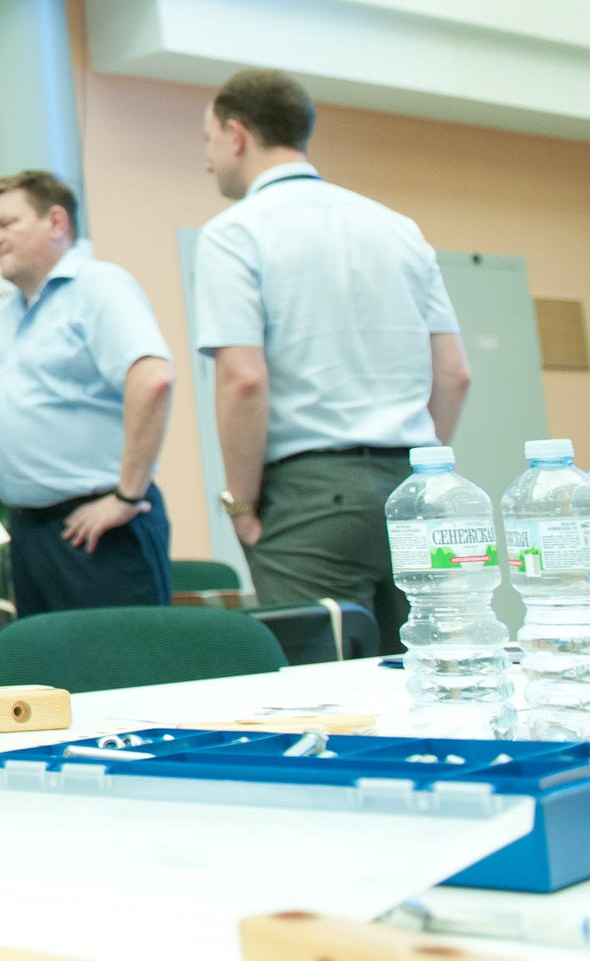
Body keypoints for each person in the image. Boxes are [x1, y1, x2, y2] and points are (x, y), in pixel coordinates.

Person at [193, 68, 470, 653]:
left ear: (237, 134)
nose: (207, 159)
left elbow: (244, 381)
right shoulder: (399, 229)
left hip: (310, 495)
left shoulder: (233, 233)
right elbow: (453, 373)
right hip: (413, 484)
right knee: (431, 671)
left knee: (326, 689)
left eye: (209, 140)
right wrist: (419, 469)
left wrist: (240, 506)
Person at [0, 171, 175, 616]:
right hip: (31, 531)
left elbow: (153, 378)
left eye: (6, 224)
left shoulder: (98, 288)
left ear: (56, 223)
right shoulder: (12, 314)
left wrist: (126, 496)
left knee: (119, 674)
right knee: (50, 677)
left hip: (99, 526)